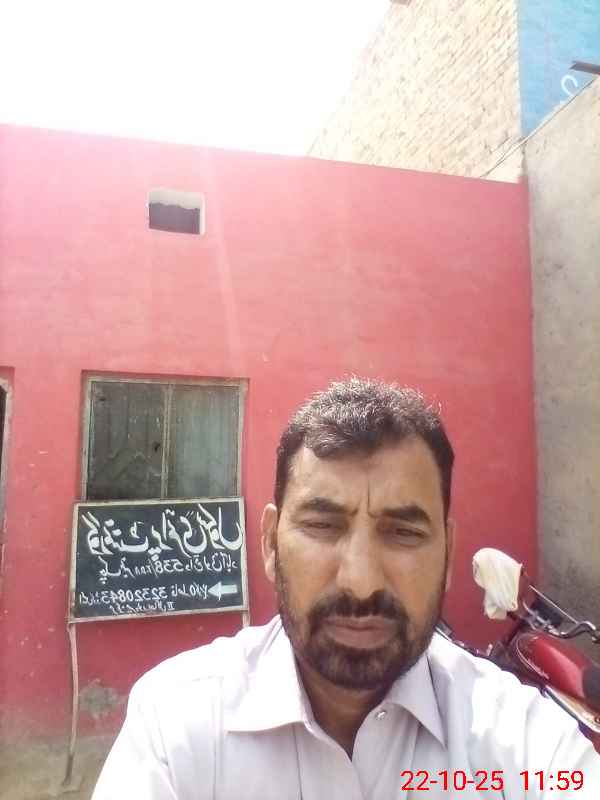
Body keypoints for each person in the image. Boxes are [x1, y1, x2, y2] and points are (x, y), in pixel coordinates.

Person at [92, 378, 599, 799]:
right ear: (269, 543)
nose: (360, 582)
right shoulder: (176, 728)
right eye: (322, 526)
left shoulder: (525, 744)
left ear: (448, 553)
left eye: (403, 533)